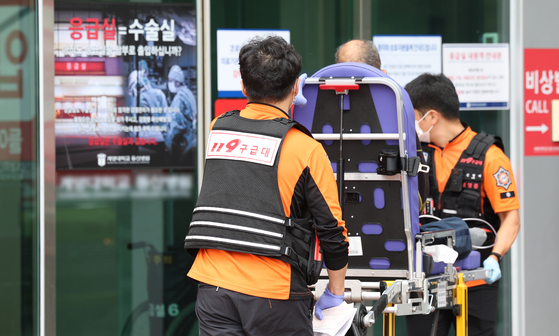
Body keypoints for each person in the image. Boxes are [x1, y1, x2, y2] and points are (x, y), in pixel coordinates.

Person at [184, 36, 349, 336]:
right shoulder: (304, 148)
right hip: (274, 294)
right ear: (295, 87)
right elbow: (331, 230)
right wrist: (335, 293)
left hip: (213, 288)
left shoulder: (217, 129)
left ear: (244, 87)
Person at [404, 73, 521, 336]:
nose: (411, 126)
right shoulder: (417, 155)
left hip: (476, 275)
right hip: (427, 275)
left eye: (412, 117)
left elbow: (511, 219)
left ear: (431, 117)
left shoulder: (491, 157)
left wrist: (494, 258)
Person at [334, 39, 429, 212]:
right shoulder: (399, 117)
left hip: (325, 227)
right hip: (390, 227)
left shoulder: (311, 108)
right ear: (382, 74)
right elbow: (419, 195)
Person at [165, 65, 197, 163]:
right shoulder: (189, 93)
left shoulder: (179, 98)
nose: (169, 83)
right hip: (190, 139)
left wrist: (170, 140)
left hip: (181, 144)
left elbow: (178, 127)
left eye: (170, 80)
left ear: (177, 82)